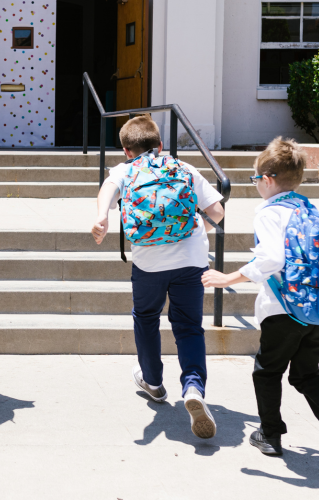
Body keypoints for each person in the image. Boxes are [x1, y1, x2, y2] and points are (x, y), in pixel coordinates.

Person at [202, 137, 319, 470]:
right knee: (307, 375)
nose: (256, 187)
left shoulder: (269, 213)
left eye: (255, 180)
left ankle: (270, 434)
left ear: (267, 180)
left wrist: (227, 278)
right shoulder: (310, 209)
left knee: (267, 372)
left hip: (283, 311)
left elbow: (271, 259)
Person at [91, 115, 225, 439]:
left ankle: (152, 381)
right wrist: (196, 231)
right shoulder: (184, 168)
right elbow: (218, 212)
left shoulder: (125, 171)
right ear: (161, 145)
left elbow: (107, 193)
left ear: (126, 150)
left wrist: (100, 219)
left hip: (149, 263)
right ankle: (193, 387)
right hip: (192, 260)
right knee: (189, 326)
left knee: (147, 318)